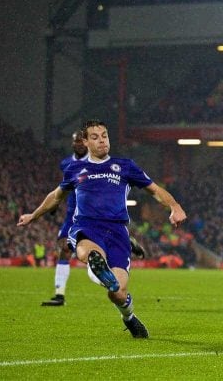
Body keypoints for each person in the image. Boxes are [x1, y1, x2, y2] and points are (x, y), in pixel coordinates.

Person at [18, 120, 187, 338]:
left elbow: (154, 190)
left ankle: (129, 317)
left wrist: (175, 206)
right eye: (95, 137)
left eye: (104, 135)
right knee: (87, 252)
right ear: (86, 142)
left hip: (117, 231)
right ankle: (96, 264)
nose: (101, 140)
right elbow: (56, 197)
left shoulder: (125, 166)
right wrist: (34, 215)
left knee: (117, 293)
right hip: (86, 226)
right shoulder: (75, 168)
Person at [41, 131, 146, 307]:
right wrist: (53, 206)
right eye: (76, 141)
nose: (79, 145)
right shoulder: (67, 164)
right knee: (64, 248)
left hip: (91, 216)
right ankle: (59, 294)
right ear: (74, 143)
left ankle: (121, 244)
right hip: (72, 213)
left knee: (79, 251)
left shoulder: (98, 162)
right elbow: (62, 189)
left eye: (81, 141)